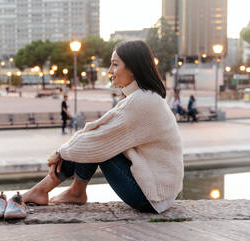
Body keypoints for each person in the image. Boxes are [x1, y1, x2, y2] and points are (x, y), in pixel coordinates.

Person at [20, 40, 183, 214]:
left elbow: (97, 137)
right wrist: (64, 150)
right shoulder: (145, 97)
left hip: (150, 197)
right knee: (94, 140)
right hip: (159, 193)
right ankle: (72, 192)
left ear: (133, 68)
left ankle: (45, 191)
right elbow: (97, 131)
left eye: (115, 65)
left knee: (97, 143)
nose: (109, 71)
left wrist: (60, 153)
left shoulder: (142, 101)